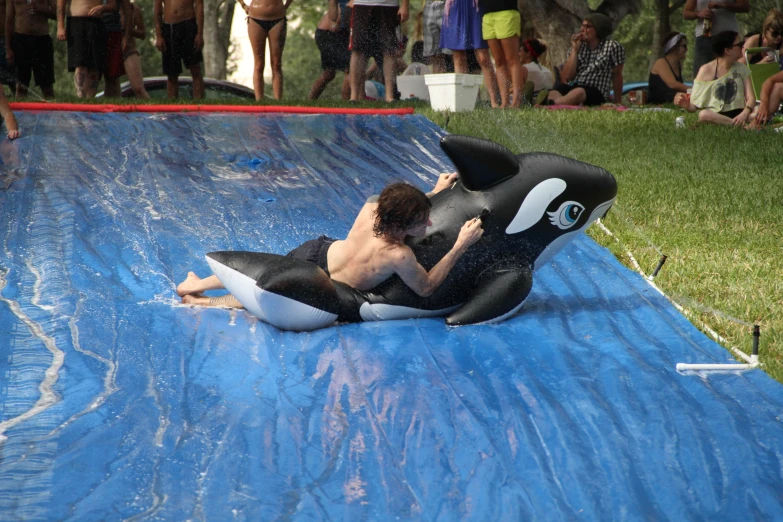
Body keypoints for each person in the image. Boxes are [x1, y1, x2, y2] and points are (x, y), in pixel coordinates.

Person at [177, 174, 485, 308]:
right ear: (402, 226)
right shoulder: (398, 254)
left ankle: (197, 286)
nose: (430, 223)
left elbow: (397, 204)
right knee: (267, 296)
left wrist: (433, 191)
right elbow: (427, 287)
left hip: (317, 252)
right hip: (326, 286)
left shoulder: (372, 208)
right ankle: (203, 304)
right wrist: (461, 244)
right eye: (423, 221)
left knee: (264, 271)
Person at [675, 31, 756, 127]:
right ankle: (737, 125)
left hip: (739, 114)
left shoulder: (742, 68)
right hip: (716, 115)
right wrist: (687, 105)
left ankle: (737, 123)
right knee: (704, 114)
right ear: (727, 50)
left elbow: (751, 98)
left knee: (759, 111)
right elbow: (694, 106)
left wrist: (745, 112)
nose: (743, 47)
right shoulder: (706, 70)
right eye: (740, 44)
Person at [545, 13, 625, 106]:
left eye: (587, 26)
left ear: (598, 30)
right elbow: (568, 76)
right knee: (556, 91)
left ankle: (551, 103)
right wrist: (574, 50)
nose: (581, 29)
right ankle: (550, 102)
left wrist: (618, 101)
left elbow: (617, 74)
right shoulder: (577, 48)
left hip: (596, 91)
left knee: (579, 92)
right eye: (582, 25)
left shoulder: (612, 47)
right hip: (576, 86)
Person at [439, 0, 499, 107]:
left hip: (475, 6)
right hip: (455, 6)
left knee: (483, 57)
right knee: (458, 57)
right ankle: (465, 102)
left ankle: (494, 101)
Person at [348, 0, 408, 103]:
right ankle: (353, 97)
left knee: (389, 50)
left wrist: (405, 5)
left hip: (389, 5)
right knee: (358, 50)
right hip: (362, 4)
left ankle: (390, 97)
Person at [57, 0, 116, 98]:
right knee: (80, 63)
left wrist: (102, 8)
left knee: (95, 65)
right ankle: (81, 96)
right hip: (77, 22)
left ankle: (90, 99)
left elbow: (113, 5)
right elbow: (60, 3)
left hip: (96, 23)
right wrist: (60, 26)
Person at [236, 0, 292, 101]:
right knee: (259, 64)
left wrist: (286, 5)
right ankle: (259, 101)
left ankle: (278, 101)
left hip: (278, 18)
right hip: (255, 19)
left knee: (276, 63)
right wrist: (243, 5)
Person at [683, 0, 750, 78]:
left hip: (728, 38)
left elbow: (745, 6)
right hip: (704, 36)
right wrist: (698, 13)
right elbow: (686, 13)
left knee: (731, 71)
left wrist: (723, 5)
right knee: (702, 72)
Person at [5, 0, 56, 99]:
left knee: (47, 87)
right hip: (21, 39)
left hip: (42, 39)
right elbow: (9, 19)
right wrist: (8, 48)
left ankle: (52, 112)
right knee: (21, 86)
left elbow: (57, 14)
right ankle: (20, 114)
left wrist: (42, 9)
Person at [154, 0, 204, 99]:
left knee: (195, 68)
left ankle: (199, 104)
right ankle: (172, 107)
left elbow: (199, 5)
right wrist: (159, 35)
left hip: (188, 24)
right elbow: (157, 10)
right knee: (172, 73)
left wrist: (199, 34)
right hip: (169, 27)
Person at [481, 0, 522, 108]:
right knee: (498, 61)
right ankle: (504, 102)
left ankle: (516, 101)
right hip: (487, 15)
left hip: (506, 12)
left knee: (512, 59)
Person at [309, 0, 351, 100]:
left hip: (344, 33)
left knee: (329, 73)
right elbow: (332, 2)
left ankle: (311, 100)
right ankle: (347, 104)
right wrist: (333, 21)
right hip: (328, 33)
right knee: (349, 67)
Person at [113, 0, 149, 98]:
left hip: (129, 49)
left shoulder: (133, 9)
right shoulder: (109, 8)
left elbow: (142, 33)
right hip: (112, 49)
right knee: (113, 87)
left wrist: (128, 30)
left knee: (138, 88)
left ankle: (152, 111)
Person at [647, 32, 689, 104]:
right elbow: (673, 84)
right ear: (674, 47)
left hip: (674, 100)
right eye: (684, 46)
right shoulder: (661, 62)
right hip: (659, 103)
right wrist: (693, 90)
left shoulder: (678, 64)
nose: (686, 49)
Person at [518, 38, 553, 103]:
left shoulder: (524, 68)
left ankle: (529, 100)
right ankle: (537, 99)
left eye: (520, 51)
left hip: (530, 97)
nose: (518, 54)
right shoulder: (547, 71)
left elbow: (517, 89)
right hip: (547, 96)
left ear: (528, 53)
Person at [421, 0, 450, 73]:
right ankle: (437, 82)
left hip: (449, 4)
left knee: (455, 53)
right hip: (430, 4)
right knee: (435, 55)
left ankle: (456, 82)